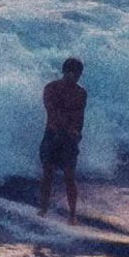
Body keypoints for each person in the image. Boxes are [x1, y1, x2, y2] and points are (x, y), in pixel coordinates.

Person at [38, 57, 87, 224]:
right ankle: (43, 210)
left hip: (69, 139)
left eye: (78, 75)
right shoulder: (51, 88)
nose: (75, 78)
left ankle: (72, 215)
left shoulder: (81, 93)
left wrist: (77, 133)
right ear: (65, 72)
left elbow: (80, 116)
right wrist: (67, 129)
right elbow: (51, 111)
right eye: (73, 74)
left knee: (69, 176)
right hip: (52, 135)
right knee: (47, 173)